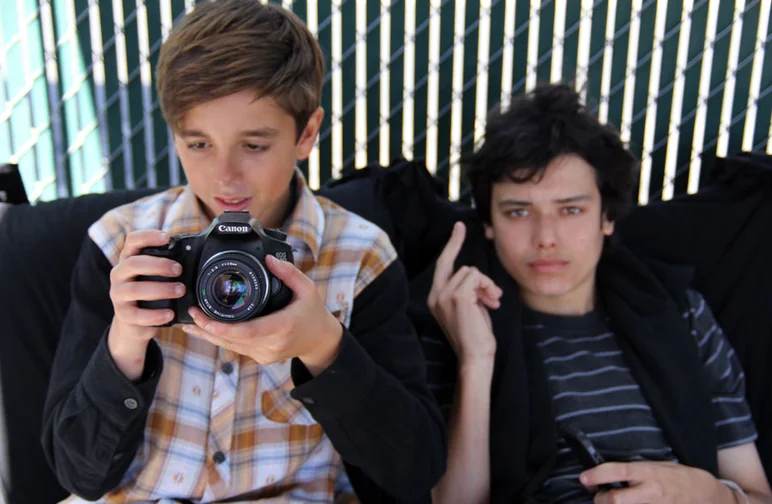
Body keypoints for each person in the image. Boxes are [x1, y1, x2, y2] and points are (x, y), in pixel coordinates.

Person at [41, 1, 445, 502]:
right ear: (174, 138)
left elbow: (414, 468)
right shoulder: (121, 243)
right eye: (199, 145)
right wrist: (124, 346)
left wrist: (323, 347)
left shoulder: (360, 258)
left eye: (254, 146)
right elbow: (76, 474)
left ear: (308, 133)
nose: (225, 177)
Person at [425, 83, 772, 503]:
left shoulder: (680, 314)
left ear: (607, 217)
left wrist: (708, 493)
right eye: (519, 211)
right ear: (489, 224)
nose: (546, 238)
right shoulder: (456, 323)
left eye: (570, 209)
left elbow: (756, 495)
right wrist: (475, 361)